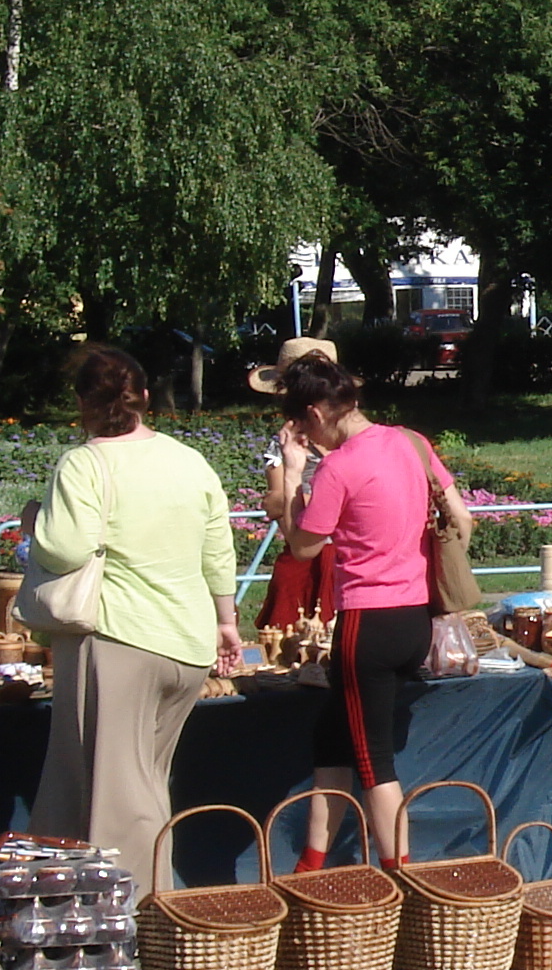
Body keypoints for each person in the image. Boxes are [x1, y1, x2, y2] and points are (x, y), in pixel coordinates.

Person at [26, 346, 243, 880]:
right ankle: (107, 909)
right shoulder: (190, 461)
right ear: (146, 397)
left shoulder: (84, 462)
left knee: (121, 800)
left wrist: (34, 519)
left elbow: (65, 549)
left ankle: (129, 924)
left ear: (81, 403)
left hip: (118, 641)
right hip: (187, 645)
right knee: (144, 783)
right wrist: (226, 622)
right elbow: (218, 551)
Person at [271, 357, 473, 868]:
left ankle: (401, 878)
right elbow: (462, 518)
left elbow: (302, 547)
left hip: (369, 622)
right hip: (413, 616)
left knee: (373, 764)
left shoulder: (339, 466)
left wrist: (296, 475)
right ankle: (311, 867)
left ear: (315, 413)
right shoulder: (410, 441)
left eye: (299, 423)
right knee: (332, 740)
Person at [248, 337, 335, 629]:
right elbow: (275, 502)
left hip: (349, 554)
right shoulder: (281, 444)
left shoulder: (351, 440)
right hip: (306, 549)